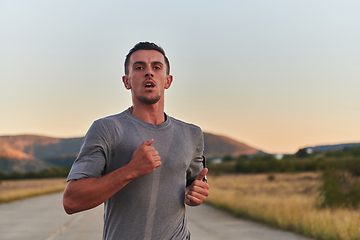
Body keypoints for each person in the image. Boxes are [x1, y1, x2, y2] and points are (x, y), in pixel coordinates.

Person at [63, 42, 210, 240]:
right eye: (139, 67)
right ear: (127, 81)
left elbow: (194, 184)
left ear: (168, 80)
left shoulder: (192, 133)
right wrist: (130, 170)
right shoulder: (106, 129)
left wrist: (195, 194)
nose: (149, 73)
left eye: (156, 67)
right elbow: (71, 201)